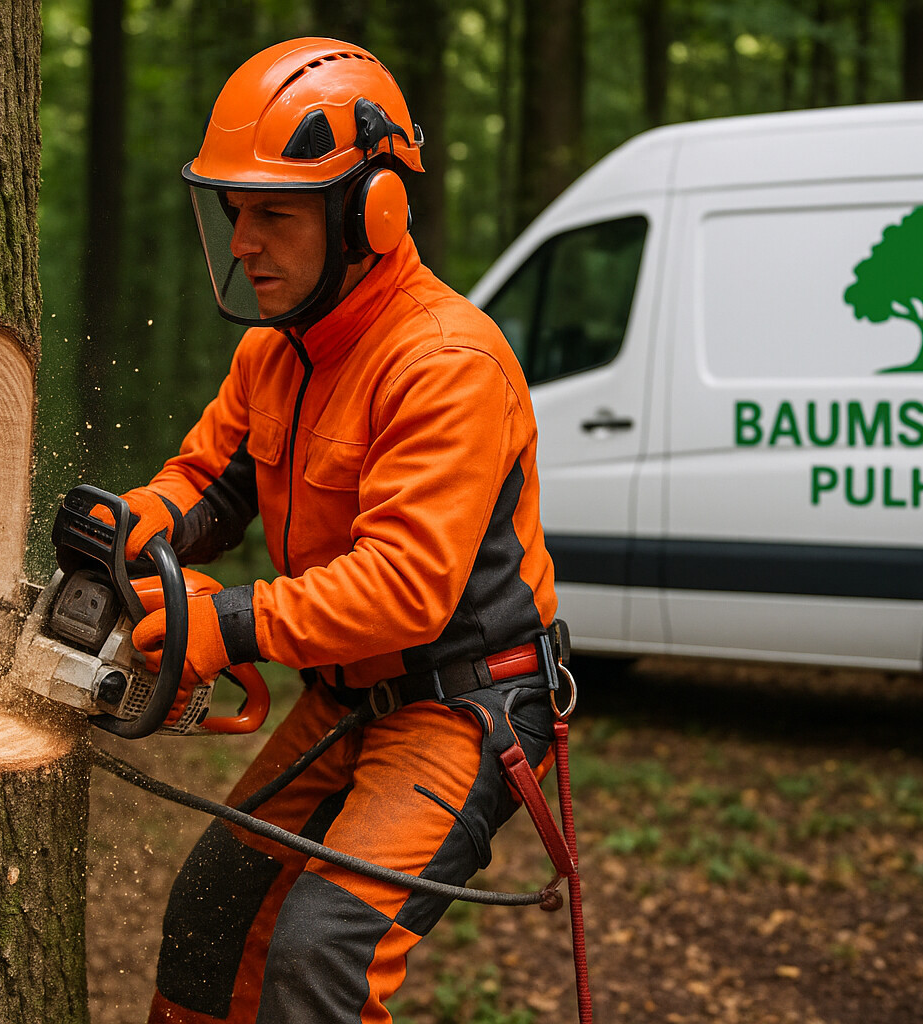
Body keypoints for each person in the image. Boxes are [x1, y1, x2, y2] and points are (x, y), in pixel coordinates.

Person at [110, 38, 561, 1024]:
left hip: (462, 708)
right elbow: (210, 482)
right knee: (211, 909)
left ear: (372, 212)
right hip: (346, 696)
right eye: (236, 212)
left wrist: (221, 626)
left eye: (274, 214)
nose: (243, 242)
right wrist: (135, 529)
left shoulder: (443, 364)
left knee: (324, 952)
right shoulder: (277, 352)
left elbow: (406, 585)